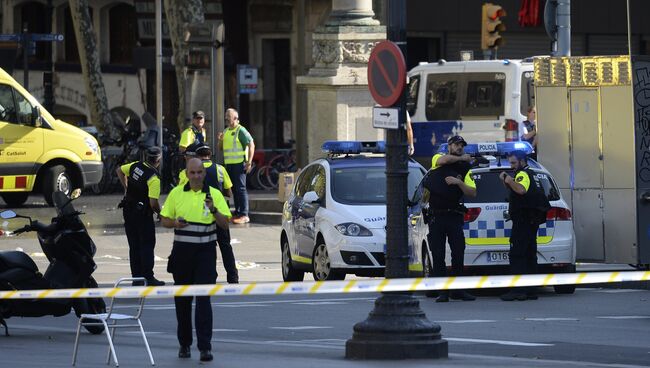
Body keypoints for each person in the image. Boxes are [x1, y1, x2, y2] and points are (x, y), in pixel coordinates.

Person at [160, 158, 231, 362]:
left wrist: (214, 210)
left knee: (203, 300)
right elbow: (164, 220)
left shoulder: (214, 195)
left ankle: (205, 347)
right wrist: (174, 222)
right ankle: (184, 344)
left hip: (205, 254)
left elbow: (225, 225)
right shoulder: (176, 194)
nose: (197, 176)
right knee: (182, 301)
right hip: (182, 253)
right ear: (186, 173)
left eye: (200, 172)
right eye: (193, 173)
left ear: (204, 173)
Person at [422, 135, 477, 303]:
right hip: (437, 216)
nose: (459, 147)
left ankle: (458, 290)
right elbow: (444, 161)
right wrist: (461, 158)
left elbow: (472, 192)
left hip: (454, 216)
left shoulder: (465, 168)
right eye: (456, 144)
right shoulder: (438, 157)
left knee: (458, 253)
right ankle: (442, 291)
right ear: (449, 145)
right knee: (438, 255)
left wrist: (458, 183)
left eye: (462, 145)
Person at [178, 143, 239, 284]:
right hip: (218, 213)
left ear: (198, 157)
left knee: (205, 247)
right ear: (210, 155)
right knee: (225, 245)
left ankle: (210, 275)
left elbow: (182, 192)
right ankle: (232, 276)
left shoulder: (189, 172)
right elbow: (229, 192)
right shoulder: (220, 169)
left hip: (199, 215)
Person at [499, 150, 550, 301]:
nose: (512, 166)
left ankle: (518, 290)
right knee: (529, 255)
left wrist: (508, 179)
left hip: (523, 221)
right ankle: (531, 290)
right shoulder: (534, 174)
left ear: (522, 161)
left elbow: (520, 190)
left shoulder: (523, 174)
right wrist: (507, 181)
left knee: (517, 255)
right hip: (531, 221)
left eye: (514, 163)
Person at [116, 146, 165, 287]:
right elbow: (153, 202)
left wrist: (126, 188)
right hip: (142, 215)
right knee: (147, 245)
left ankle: (136, 278)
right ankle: (148, 277)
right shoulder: (153, 178)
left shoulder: (135, 166)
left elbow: (119, 170)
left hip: (128, 211)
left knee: (134, 245)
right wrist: (160, 214)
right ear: (159, 160)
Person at [218, 108, 255, 224]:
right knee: (234, 189)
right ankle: (238, 212)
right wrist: (220, 140)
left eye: (228, 117)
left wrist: (249, 162)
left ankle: (244, 214)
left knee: (240, 189)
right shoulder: (226, 131)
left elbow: (251, 144)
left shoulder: (241, 130)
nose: (226, 120)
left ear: (235, 118)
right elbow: (220, 148)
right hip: (229, 165)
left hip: (239, 164)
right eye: (226, 118)